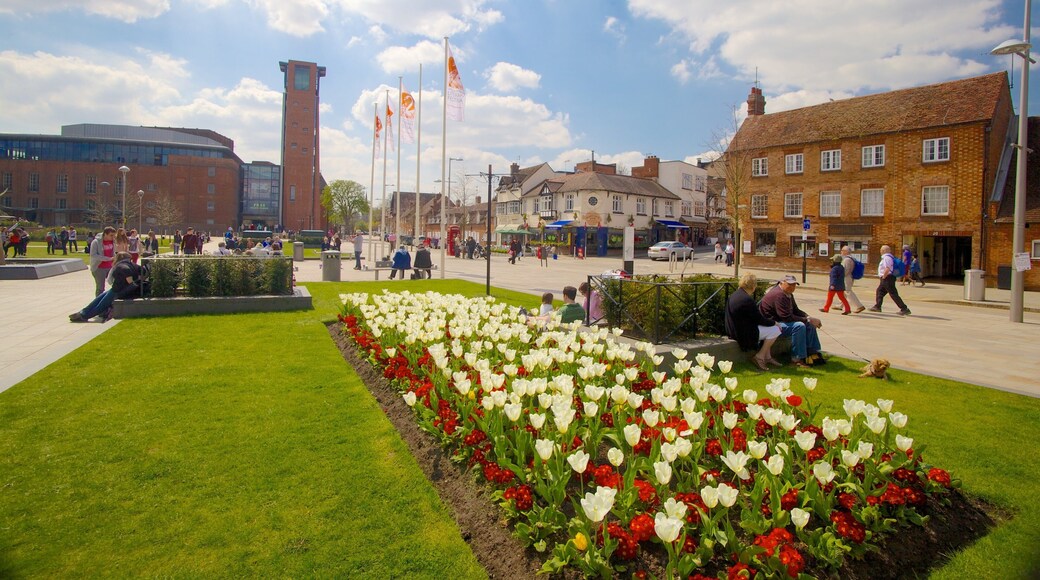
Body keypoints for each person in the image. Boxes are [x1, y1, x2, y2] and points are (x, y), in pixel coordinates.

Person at [759, 275, 824, 368]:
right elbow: (786, 317)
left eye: (794, 285)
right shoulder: (779, 295)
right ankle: (796, 359)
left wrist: (809, 317)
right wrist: (808, 320)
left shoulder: (788, 294)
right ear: (781, 283)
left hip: (781, 322)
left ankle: (813, 354)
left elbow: (796, 310)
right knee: (799, 326)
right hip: (773, 325)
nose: (792, 287)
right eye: (789, 284)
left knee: (810, 325)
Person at [725, 273, 783, 371]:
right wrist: (774, 323)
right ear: (753, 286)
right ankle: (759, 357)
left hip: (734, 329)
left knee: (772, 329)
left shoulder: (736, 294)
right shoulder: (746, 299)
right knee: (776, 330)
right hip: (742, 333)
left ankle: (767, 357)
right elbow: (759, 319)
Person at [69, 252, 141, 322]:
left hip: (118, 291)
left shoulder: (121, 266)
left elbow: (130, 281)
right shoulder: (131, 265)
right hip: (115, 289)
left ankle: (84, 316)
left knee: (101, 305)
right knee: (98, 299)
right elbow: (141, 271)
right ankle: (83, 312)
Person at [869, 244, 911, 315]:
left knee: (893, 294)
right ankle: (877, 306)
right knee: (880, 291)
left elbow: (888, 268)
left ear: (883, 251)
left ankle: (904, 308)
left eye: (881, 250)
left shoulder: (887, 258)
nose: (880, 251)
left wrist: (884, 277)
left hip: (887, 278)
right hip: (887, 278)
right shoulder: (889, 257)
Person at [88, 227, 117, 296]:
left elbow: (113, 253)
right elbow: (93, 255)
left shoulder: (112, 242)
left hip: (110, 267)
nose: (113, 237)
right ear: (105, 234)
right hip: (99, 268)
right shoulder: (96, 242)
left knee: (115, 284)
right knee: (100, 288)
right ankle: (98, 303)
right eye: (111, 235)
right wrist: (108, 259)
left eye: (114, 235)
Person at [839, 246, 866, 313]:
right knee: (844, 291)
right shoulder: (852, 258)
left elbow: (846, 270)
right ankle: (840, 305)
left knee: (848, 291)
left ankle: (859, 306)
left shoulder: (847, 260)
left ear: (845, 251)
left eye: (842, 250)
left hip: (847, 277)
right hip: (850, 276)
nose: (841, 252)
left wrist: (840, 276)